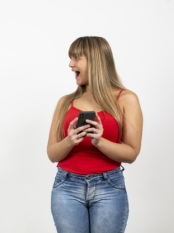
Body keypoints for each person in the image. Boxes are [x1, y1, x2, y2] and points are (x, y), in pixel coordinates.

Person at [47, 36, 143, 233]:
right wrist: (69, 141)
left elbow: (132, 153)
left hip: (108, 187)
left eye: (76, 58)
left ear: (95, 60)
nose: (70, 64)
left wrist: (99, 141)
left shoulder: (126, 99)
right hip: (66, 186)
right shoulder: (65, 102)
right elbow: (52, 154)